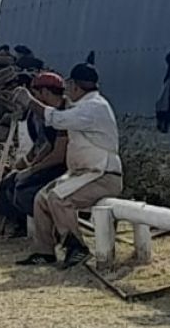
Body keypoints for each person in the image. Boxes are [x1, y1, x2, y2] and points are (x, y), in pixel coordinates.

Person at [12, 63, 123, 268]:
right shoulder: (83, 106)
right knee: (42, 198)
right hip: (83, 174)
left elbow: (57, 119)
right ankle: (44, 251)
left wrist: (30, 102)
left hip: (103, 174)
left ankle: (76, 247)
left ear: (76, 86)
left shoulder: (94, 107)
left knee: (58, 198)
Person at [0, 71, 69, 236]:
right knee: (10, 182)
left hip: (66, 168)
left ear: (45, 92)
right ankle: (19, 226)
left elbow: (59, 154)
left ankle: (52, 230)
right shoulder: (46, 116)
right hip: (52, 164)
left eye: (35, 94)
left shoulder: (64, 113)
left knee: (24, 190)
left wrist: (32, 170)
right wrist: (24, 165)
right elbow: (46, 145)